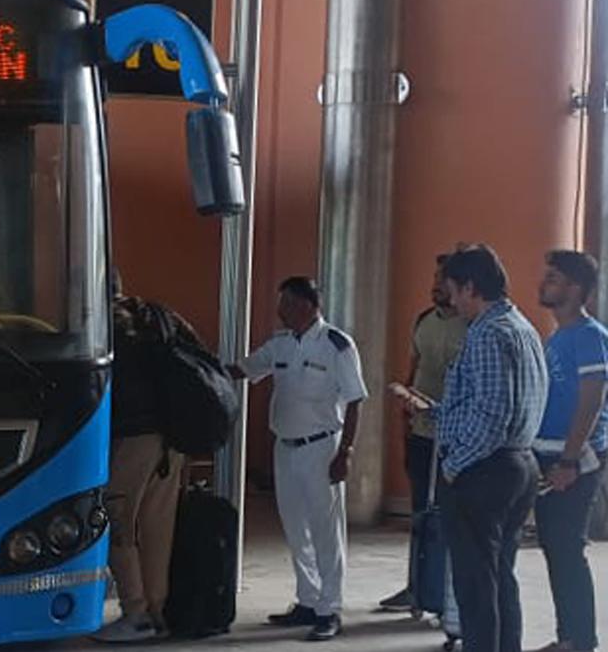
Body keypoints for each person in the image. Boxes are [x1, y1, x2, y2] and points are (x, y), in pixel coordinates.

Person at [399, 245, 546, 652]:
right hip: (519, 463)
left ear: (470, 287)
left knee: (475, 588)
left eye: (452, 290)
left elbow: (492, 417)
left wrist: (454, 466)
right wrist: (435, 410)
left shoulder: (486, 333)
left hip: (484, 470)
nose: (449, 299)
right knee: (499, 577)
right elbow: (495, 403)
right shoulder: (521, 327)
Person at [229, 277, 368, 642]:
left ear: (307, 305)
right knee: (294, 527)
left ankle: (329, 608)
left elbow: (355, 400)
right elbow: (244, 369)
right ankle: (307, 600)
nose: (280, 310)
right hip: (285, 447)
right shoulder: (280, 344)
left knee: (325, 531)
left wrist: (346, 452)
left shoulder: (337, 345)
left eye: (286, 303)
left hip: (323, 448)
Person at [92, 274, 197, 643]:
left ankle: (134, 612)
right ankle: (158, 611)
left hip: (134, 438)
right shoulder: (156, 314)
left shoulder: (106, 323)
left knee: (116, 522)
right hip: (171, 439)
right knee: (156, 529)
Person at [379, 253, 469, 612]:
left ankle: (447, 594)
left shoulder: (473, 325)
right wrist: (404, 424)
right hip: (421, 432)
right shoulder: (423, 321)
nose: (435, 286)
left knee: (453, 516)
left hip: (457, 436)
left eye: (442, 281)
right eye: (434, 279)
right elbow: (412, 373)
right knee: (420, 514)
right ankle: (416, 586)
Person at [530, 250, 608, 652]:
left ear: (576, 289)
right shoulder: (558, 336)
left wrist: (570, 460)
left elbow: (591, 399)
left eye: (554, 278)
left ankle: (580, 640)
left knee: (566, 548)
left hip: (573, 459)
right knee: (556, 549)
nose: (545, 283)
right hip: (549, 455)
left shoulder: (590, 336)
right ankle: (568, 636)